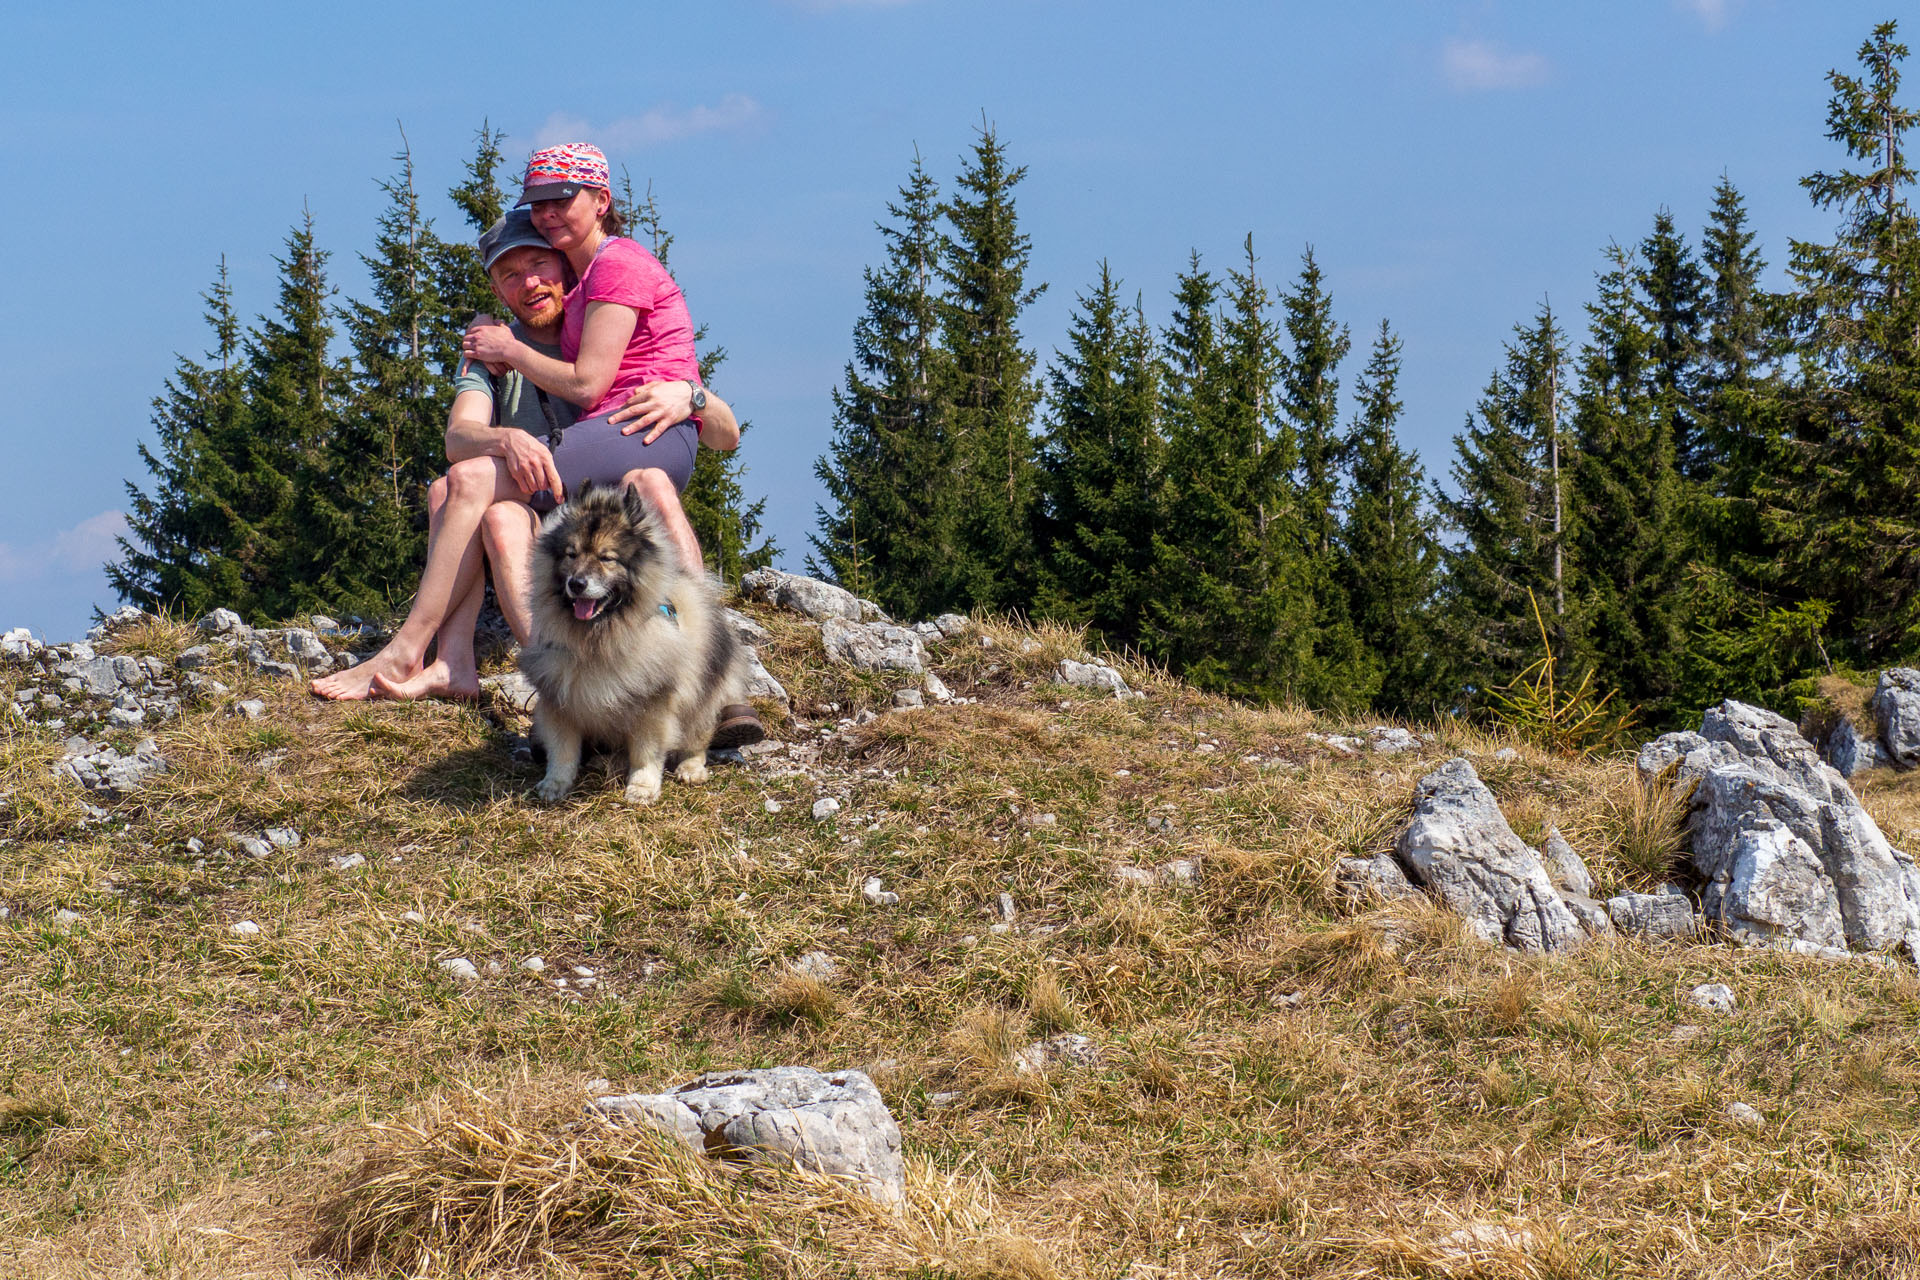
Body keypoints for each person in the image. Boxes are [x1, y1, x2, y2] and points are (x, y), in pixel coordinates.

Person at [312, 209, 761, 749]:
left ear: (564, 267)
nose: (529, 283)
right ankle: (559, 684)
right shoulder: (490, 352)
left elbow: (725, 435)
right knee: (490, 511)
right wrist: (506, 438)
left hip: (603, 522)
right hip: (537, 514)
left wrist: (689, 395)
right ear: (498, 291)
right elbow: (459, 439)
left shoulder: (604, 328)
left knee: (650, 484)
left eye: (538, 263)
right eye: (509, 275)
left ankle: (718, 673)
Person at [461, 142, 712, 577]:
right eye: (538, 204)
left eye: (562, 198)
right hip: (628, 430)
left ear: (602, 201)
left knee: (468, 482)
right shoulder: (584, 279)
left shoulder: (616, 264)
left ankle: (421, 635)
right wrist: (487, 321)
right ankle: (691, 615)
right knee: (472, 484)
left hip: (639, 426)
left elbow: (587, 386)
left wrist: (508, 350)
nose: (548, 212)